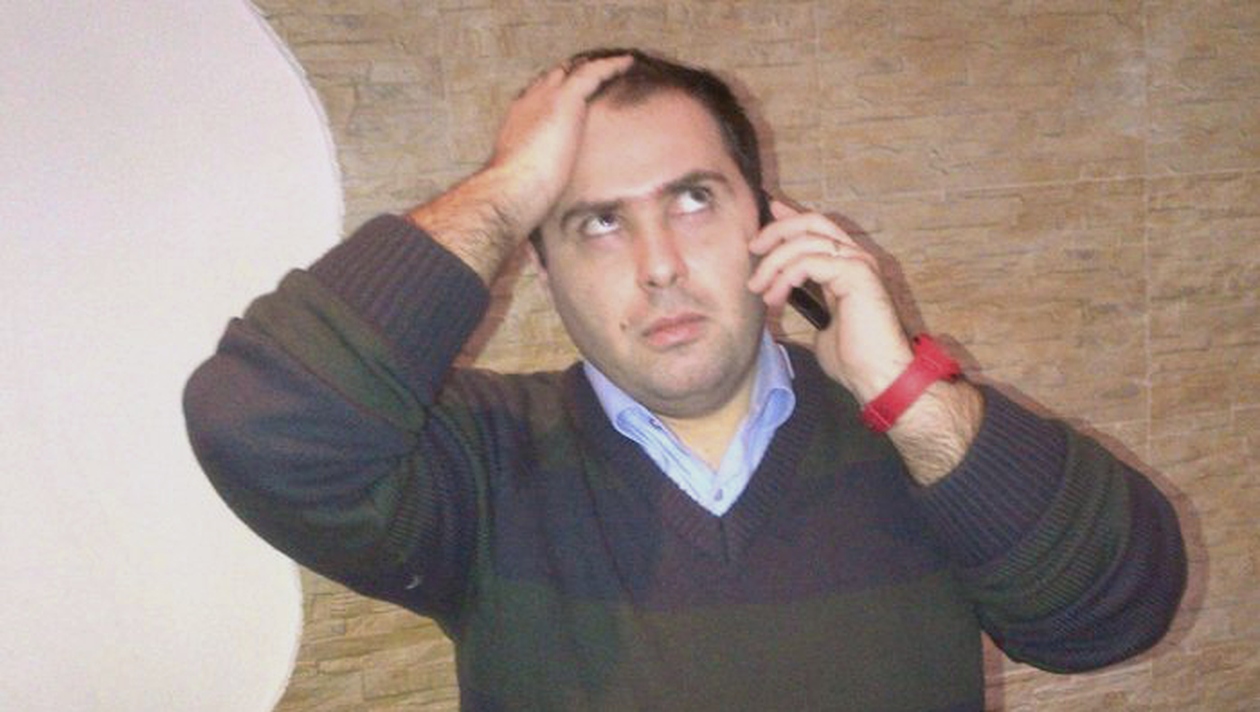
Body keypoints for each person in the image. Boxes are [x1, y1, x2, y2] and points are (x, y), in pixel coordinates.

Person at [184, 48, 1186, 711]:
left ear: (769, 219)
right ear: (541, 265)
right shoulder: (480, 466)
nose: (659, 263)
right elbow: (258, 424)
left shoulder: (915, 442)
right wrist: (506, 188)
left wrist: (904, 390)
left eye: (695, 200)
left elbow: (1114, 613)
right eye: (597, 222)